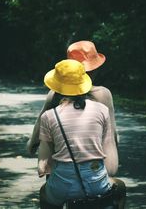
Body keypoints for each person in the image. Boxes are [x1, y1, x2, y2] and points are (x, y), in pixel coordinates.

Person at [38, 59, 125, 208]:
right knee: (121, 187)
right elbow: (109, 156)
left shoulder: (49, 116)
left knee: (44, 192)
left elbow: (43, 166)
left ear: (56, 86)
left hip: (62, 186)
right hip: (96, 181)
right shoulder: (102, 110)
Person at [27, 41, 119, 175]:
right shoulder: (103, 94)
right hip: (96, 171)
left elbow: (38, 130)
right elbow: (112, 134)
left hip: (61, 172)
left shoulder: (54, 94)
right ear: (95, 70)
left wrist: (31, 147)